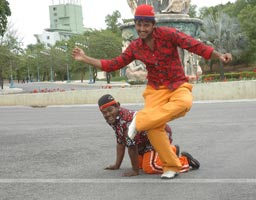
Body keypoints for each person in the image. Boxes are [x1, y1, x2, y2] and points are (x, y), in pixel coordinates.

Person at [72, 4, 232, 179]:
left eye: (146, 25)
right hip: (155, 90)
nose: (142, 29)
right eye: (139, 25)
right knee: (154, 128)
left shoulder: (167, 34)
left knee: (185, 103)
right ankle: (171, 166)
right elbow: (113, 65)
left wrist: (218, 55)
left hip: (177, 84)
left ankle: (139, 121)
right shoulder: (135, 47)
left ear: (153, 25)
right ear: (135, 25)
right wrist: (85, 58)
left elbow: (192, 44)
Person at [98, 94, 200, 178]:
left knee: (150, 167)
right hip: (144, 142)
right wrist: (117, 165)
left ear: (117, 106)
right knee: (140, 164)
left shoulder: (126, 120)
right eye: (104, 112)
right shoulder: (114, 119)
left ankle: (184, 161)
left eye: (110, 110)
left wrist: (135, 171)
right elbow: (120, 142)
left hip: (157, 136)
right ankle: (171, 151)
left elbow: (132, 148)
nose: (107, 114)